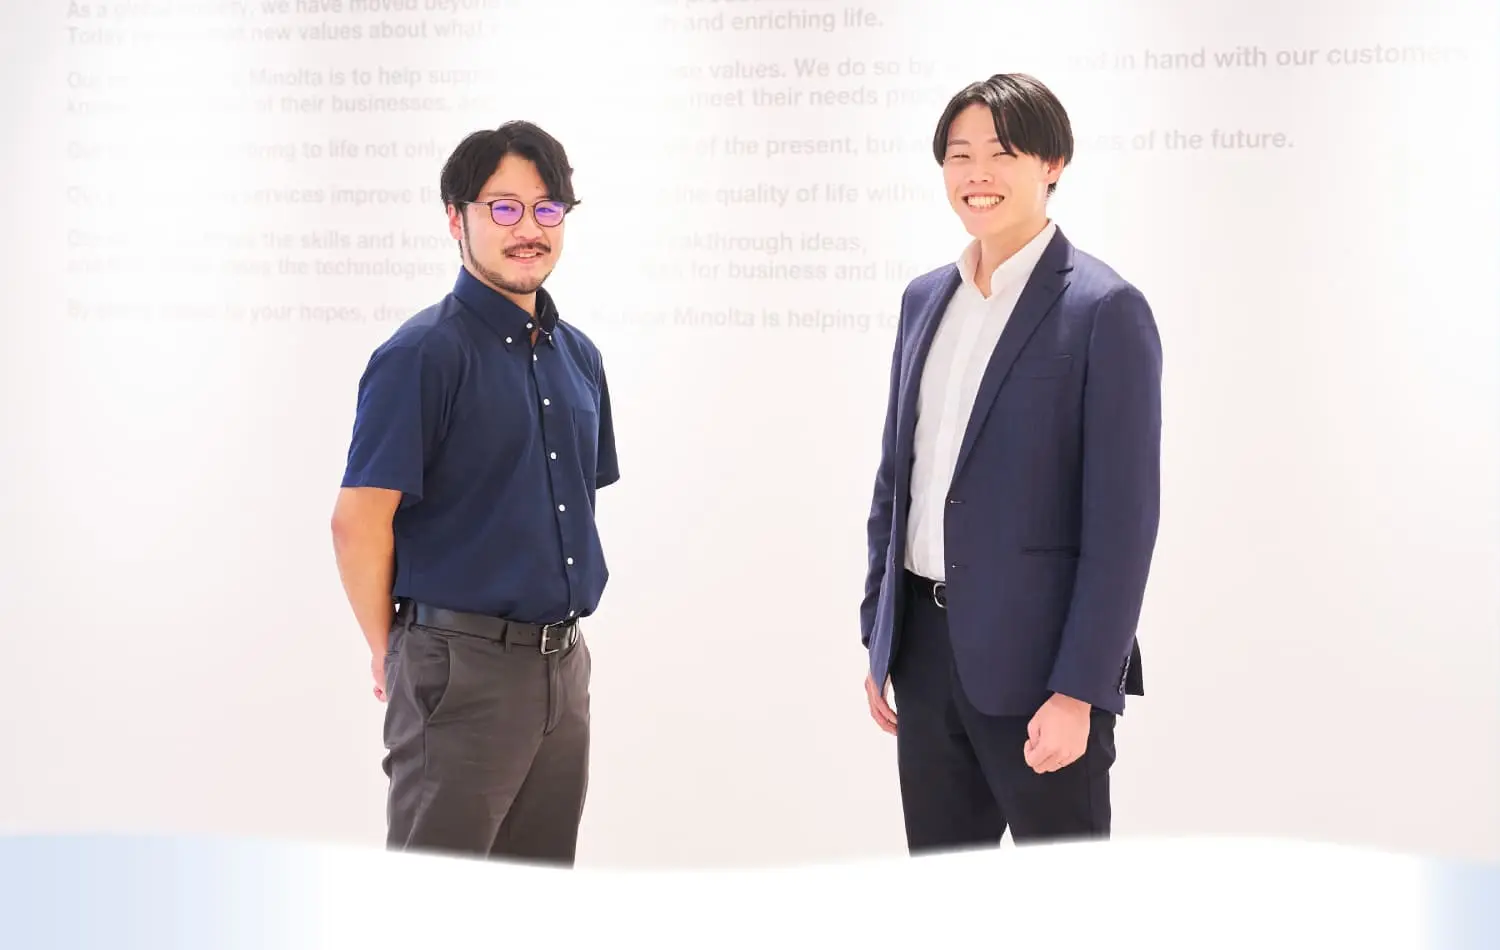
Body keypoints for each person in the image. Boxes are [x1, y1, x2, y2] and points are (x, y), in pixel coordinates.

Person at [859, 74, 1162, 853]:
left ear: (1052, 164)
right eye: (960, 155)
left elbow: (1123, 527)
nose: (977, 174)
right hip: (925, 661)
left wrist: (1079, 690)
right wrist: (881, 636)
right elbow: (899, 481)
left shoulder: (1103, 310)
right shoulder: (924, 300)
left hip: (1040, 675)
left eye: (1001, 153)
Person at [330, 120, 619, 865]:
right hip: (459, 671)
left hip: (563, 669)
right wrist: (393, 652)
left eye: (547, 208)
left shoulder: (579, 357)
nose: (529, 229)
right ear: (456, 219)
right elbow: (358, 522)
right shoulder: (423, 354)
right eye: (504, 208)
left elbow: (568, 505)